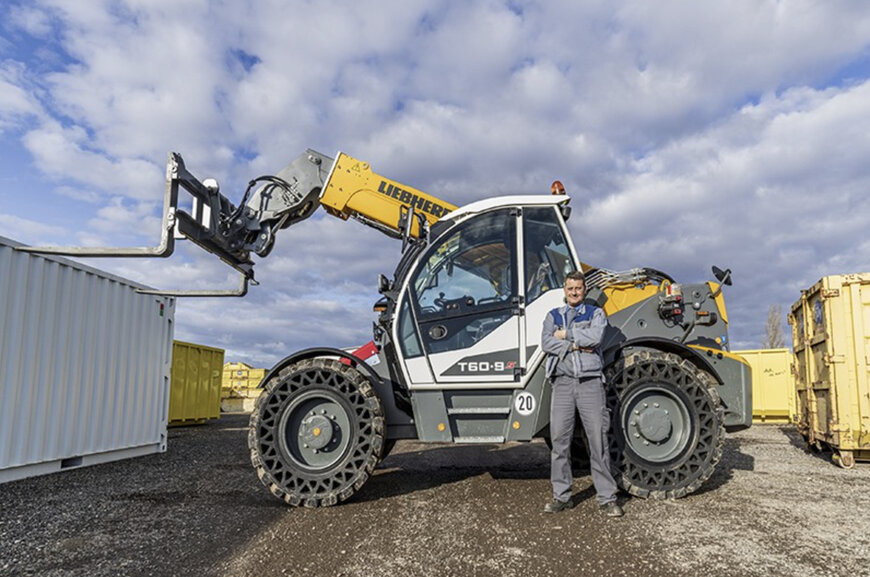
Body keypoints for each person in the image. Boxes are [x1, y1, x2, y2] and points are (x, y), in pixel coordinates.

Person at [541, 270, 624, 517]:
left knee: (597, 440)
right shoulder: (552, 315)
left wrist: (566, 336)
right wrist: (578, 344)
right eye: (570, 288)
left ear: (584, 290)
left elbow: (596, 336)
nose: (574, 292)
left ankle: (607, 498)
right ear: (564, 290)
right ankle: (561, 496)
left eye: (578, 288)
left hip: (590, 383)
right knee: (559, 441)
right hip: (563, 384)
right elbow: (546, 342)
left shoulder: (595, 313)